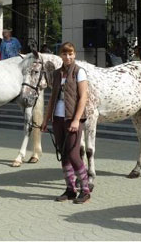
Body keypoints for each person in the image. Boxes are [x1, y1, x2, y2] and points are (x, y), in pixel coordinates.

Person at [40, 42, 91, 204]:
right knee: (63, 154)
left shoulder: (79, 72)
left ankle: (85, 190)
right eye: (64, 54)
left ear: (74, 55)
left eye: (70, 54)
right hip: (58, 118)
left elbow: (83, 97)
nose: (67, 57)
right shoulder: (56, 74)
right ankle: (70, 190)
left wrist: (76, 119)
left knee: (74, 154)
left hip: (73, 119)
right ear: (60, 55)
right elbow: (52, 98)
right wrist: (46, 119)